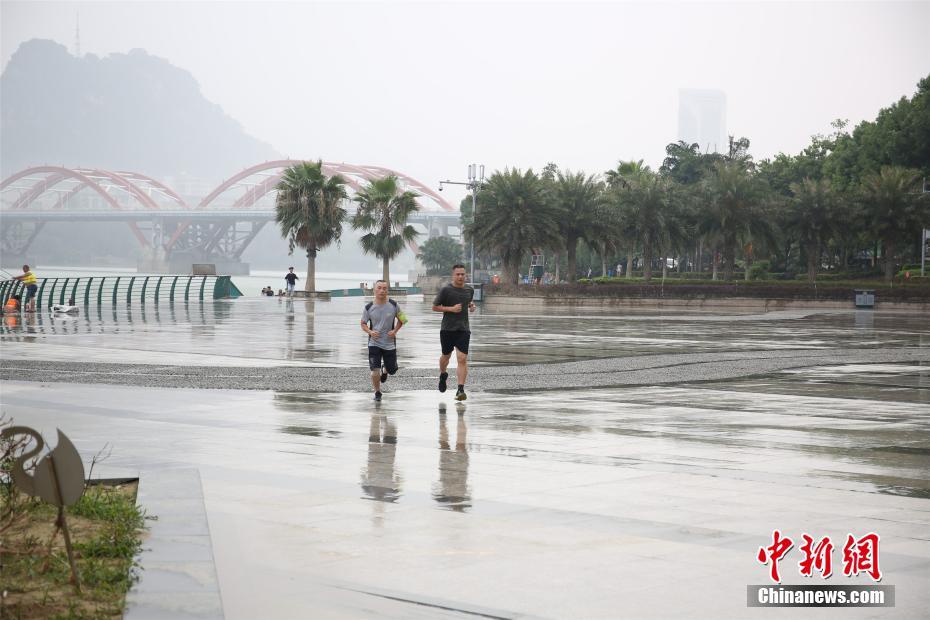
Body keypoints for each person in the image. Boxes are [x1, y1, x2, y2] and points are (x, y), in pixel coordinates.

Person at [432, 264, 476, 401]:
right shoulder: (446, 290)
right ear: (453, 275)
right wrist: (451, 309)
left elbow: (468, 301)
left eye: (463, 274)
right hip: (447, 329)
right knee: (446, 356)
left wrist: (471, 305)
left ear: (466, 275)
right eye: (458, 274)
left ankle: (460, 389)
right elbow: (434, 307)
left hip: (463, 328)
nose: (461, 276)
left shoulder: (470, 289)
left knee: (462, 358)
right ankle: (443, 374)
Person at [360, 280, 406, 401]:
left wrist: (395, 331)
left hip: (389, 343)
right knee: (374, 370)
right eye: (379, 288)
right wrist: (370, 332)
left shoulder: (394, 305)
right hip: (374, 343)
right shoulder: (369, 307)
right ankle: (377, 392)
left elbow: (403, 320)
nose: (382, 290)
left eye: (384, 288)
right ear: (374, 290)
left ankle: (385, 369)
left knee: (392, 370)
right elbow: (363, 324)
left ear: (387, 290)